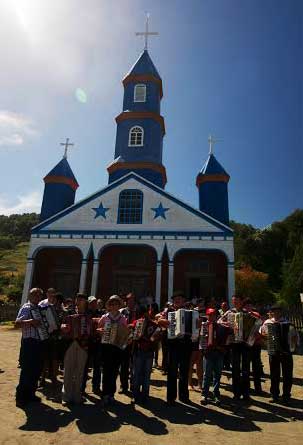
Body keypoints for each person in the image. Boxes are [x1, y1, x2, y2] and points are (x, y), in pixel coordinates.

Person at [159, 291, 193, 405]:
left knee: (184, 371)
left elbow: (196, 327)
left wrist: (197, 325)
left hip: (186, 345)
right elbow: (158, 320)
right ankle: (171, 397)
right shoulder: (168, 311)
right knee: (172, 371)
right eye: (175, 298)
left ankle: (184, 396)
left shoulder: (191, 312)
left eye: (180, 298)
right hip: (172, 345)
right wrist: (164, 321)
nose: (177, 300)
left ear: (184, 301)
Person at [260, 305, 299, 403]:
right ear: (271, 312)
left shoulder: (288, 323)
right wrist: (266, 338)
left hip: (287, 352)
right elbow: (261, 333)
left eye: (278, 311)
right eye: (274, 311)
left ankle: (286, 396)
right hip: (273, 351)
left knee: (287, 375)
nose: (276, 313)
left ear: (281, 312)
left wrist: (293, 342)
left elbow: (295, 336)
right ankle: (274, 395)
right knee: (274, 374)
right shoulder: (268, 323)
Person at [15, 287, 45, 408]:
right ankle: (21, 397)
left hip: (39, 342)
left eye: (39, 296)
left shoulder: (40, 308)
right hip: (29, 342)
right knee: (27, 370)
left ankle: (31, 394)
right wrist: (31, 321)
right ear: (30, 296)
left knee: (36, 369)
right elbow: (17, 323)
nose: (38, 298)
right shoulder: (26, 308)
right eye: (36, 295)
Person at [219, 295, 251, 401]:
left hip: (245, 344)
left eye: (237, 301)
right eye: (233, 301)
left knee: (246, 369)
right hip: (233, 343)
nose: (235, 303)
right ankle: (236, 392)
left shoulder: (248, 313)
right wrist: (226, 324)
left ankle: (246, 393)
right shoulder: (229, 312)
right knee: (235, 369)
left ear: (242, 301)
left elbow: (255, 326)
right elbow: (219, 321)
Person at [61, 293, 91, 405]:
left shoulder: (89, 314)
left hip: (83, 345)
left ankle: (77, 395)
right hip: (70, 343)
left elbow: (91, 330)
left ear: (85, 302)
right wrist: (63, 327)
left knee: (80, 371)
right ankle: (66, 396)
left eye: (81, 300)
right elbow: (61, 325)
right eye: (77, 299)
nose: (78, 302)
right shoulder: (68, 312)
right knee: (68, 370)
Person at [98, 295, 128, 405]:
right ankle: (105, 394)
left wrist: (126, 339)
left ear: (119, 305)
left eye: (116, 304)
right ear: (109, 306)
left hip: (117, 348)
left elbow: (125, 334)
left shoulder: (123, 318)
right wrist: (100, 331)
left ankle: (111, 394)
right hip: (106, 347)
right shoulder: (105, 317)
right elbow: (98, 328)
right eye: (112, 304)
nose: (114, 306)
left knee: (115, 372)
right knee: (106, 371)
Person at [131, 305, 161, 404]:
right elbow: (133, 337)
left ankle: (144, 395)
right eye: (142, 314)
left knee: (145, 375)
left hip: (148, 352)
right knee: (138, 374)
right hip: (139, 351)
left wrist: (153, 337)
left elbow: (156, 336)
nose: (144, 316)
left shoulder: (154, 324)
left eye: (145, 313)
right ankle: (136, 395)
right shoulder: (137, 323)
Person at [201, 308, 230, 406]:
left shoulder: (222, 326)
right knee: (207, 375)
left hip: (219, 353)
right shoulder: (203, 325)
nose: (211, 317)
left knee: (217, 375)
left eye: (213, 315)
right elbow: (201, 340)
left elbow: (228, 337)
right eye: (209, 315)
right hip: (208, 353)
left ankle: (216, 395)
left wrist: (223, 347)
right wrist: (204, 349)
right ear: (207, 316)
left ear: (216, 316)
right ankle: (204, 394)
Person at [119, 292, 138, 394]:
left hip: (135, 341)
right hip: (124, 341)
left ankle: (134, 386)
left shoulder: (137, 312)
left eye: (132, 300)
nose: (131, 302)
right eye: (129, 300)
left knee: (135, 366)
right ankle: (124, 386)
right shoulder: (121, 312)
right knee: (124, 365)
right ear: (126, 302)